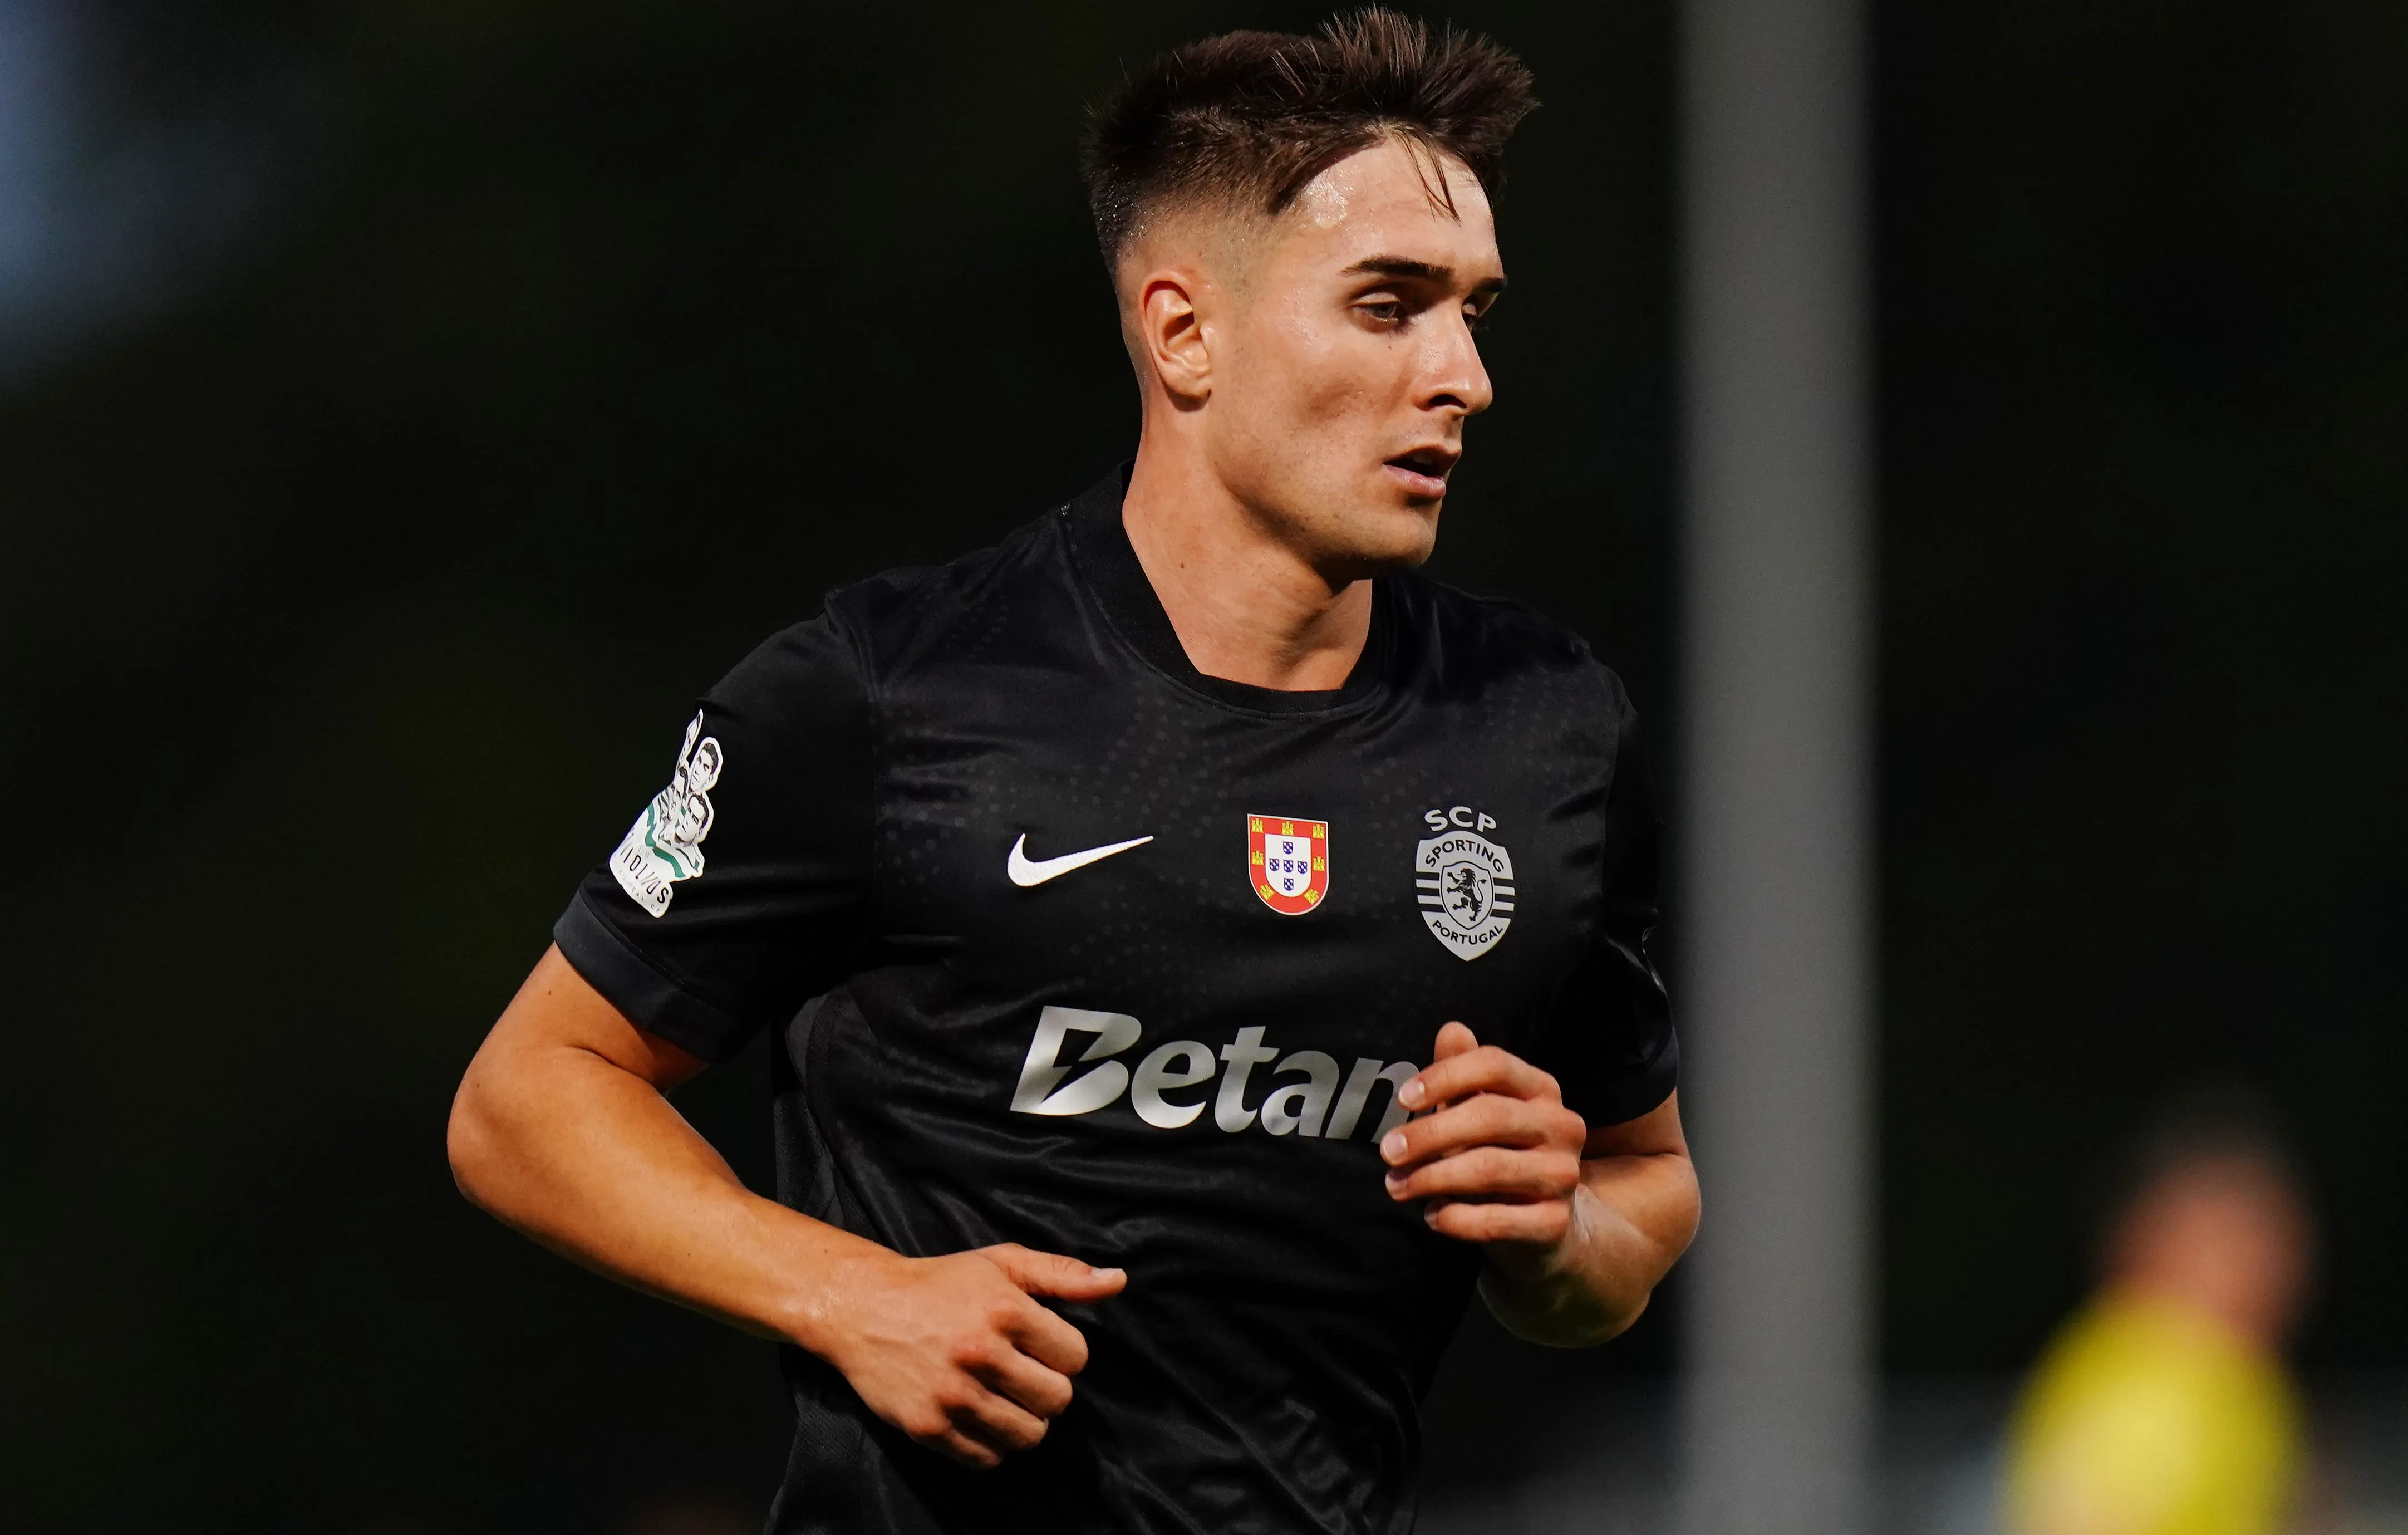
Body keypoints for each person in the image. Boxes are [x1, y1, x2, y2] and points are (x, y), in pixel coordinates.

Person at [447, 11, 1701, 1532]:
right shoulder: (891, 692)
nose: (1461, 376)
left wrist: (1558, 1234)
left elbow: (1645, 1184)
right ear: (1183, 332)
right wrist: (848, 1293)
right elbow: (525, 1097)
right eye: (1388, 305)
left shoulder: (1544, 727)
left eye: (1473, 312)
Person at [1999, 1095, 2313, 1535]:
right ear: (2146, 1237)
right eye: (2233, 1237)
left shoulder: (2226, 1378)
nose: (2273, 1265)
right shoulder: (2153, 1386)